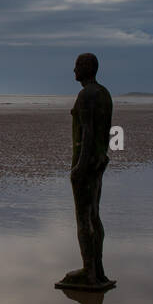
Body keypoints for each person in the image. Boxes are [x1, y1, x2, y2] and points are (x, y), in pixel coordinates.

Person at [57, 53, 114, 289]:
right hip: (99, 162)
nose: (74, 70)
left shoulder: (86, 95)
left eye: (77, 66)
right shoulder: (104, 93)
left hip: (86, 164)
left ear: (87, 68)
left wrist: (79, 166)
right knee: (94, 215)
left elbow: (89, 132)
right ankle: (97, 270)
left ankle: (89, 272)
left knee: (84, 219)